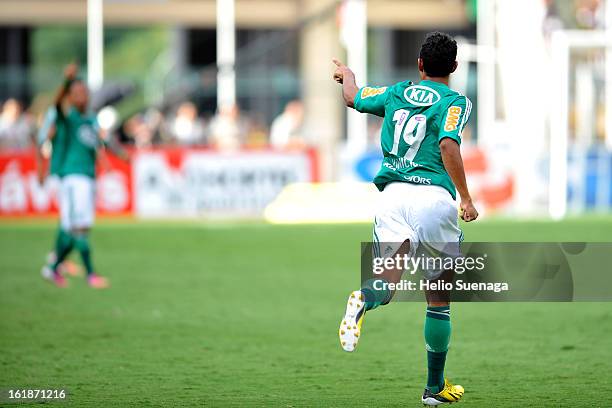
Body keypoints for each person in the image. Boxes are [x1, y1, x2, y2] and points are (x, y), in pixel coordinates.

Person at [333, 32, 478, 406]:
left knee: (387, 284)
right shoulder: (455, 101)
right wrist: (466, 197)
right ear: (455, 68)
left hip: (392, 198)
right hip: (432, 199)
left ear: (419, 65)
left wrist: (347, 73)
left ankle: (364, 298)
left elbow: (353, 97)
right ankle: (434, 388)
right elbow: (448, 143)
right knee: (439, 298)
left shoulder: (397, 93)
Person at [41, 64, 123, 289]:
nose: (83, 96)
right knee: (79, 227)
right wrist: (66, 82)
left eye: (84, 92)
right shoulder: (67, 118)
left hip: (86, 177)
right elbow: (57, 104)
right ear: (70, 96)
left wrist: (119, 156)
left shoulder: (90, 120)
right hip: (73, 178)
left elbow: (101, 144)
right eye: (77, 93)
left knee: (74, 228)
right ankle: (89, 274)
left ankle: (54, 266)